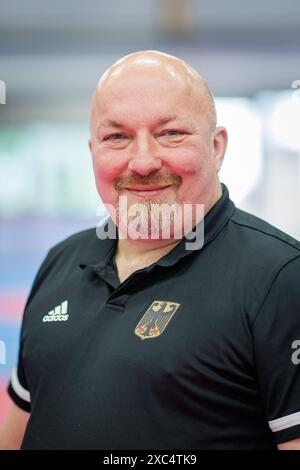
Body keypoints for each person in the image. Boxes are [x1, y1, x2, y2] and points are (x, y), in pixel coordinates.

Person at [1, 50, 300, 450]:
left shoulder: (280, 276)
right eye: (117, 137)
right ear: (93, 151)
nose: (142, 162)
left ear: (217, 146)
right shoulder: (60, 261)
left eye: (171, 133)